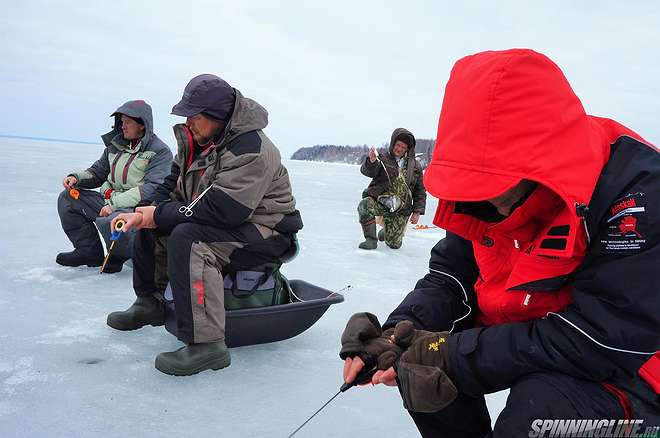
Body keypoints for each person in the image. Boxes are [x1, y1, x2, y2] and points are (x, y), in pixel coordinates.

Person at [340, 49, 659, 436]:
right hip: (538, 333)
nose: (480, 200)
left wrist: (451, 355)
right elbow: (451, 279)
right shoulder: (478, 201)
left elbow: (603, 339)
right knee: (422, 374)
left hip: (634, 369)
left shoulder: (638, 192)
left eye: (491, 183)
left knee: (541, 414)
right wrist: (397, 335)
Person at [106, 74, 303, 376]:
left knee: (189, 238)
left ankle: (208, 345)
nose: (189, 122)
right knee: (151, 220)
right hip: (229, 220)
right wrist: (147, 212)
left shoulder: (251, 148)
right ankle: (151, 301)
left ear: (218, 116)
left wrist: (157, 214)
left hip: (266, 231)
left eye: (195, 116)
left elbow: (225, 210)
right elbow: (170, 186)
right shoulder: (197, 140)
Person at [57, 100, 173, 273]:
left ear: (142, 125)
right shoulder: (115, 146)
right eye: (121, 121)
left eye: (127, 122)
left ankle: (121, 256)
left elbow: (152, 188)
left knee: (112, 220)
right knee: (68, 199)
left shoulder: (160, 151)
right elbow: (97, 173)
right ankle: (88, 251)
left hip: (133, 209)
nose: (122, 126)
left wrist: (114, 204)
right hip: (109, 203)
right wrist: (76, 178)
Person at [357, 128, 426, 250]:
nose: (399, 149)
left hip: (401, 209)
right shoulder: (383, 158)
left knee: (394, 244)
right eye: (398, 145)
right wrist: (371, 161)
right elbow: (367, 171)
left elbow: (420, 191)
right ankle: (371, 240)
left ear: (408, 149)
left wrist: (417, 212)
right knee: (364, 205)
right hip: (382, 203)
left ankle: (387, 231)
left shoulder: (415, 166)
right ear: (393, 143)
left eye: (403, 147)